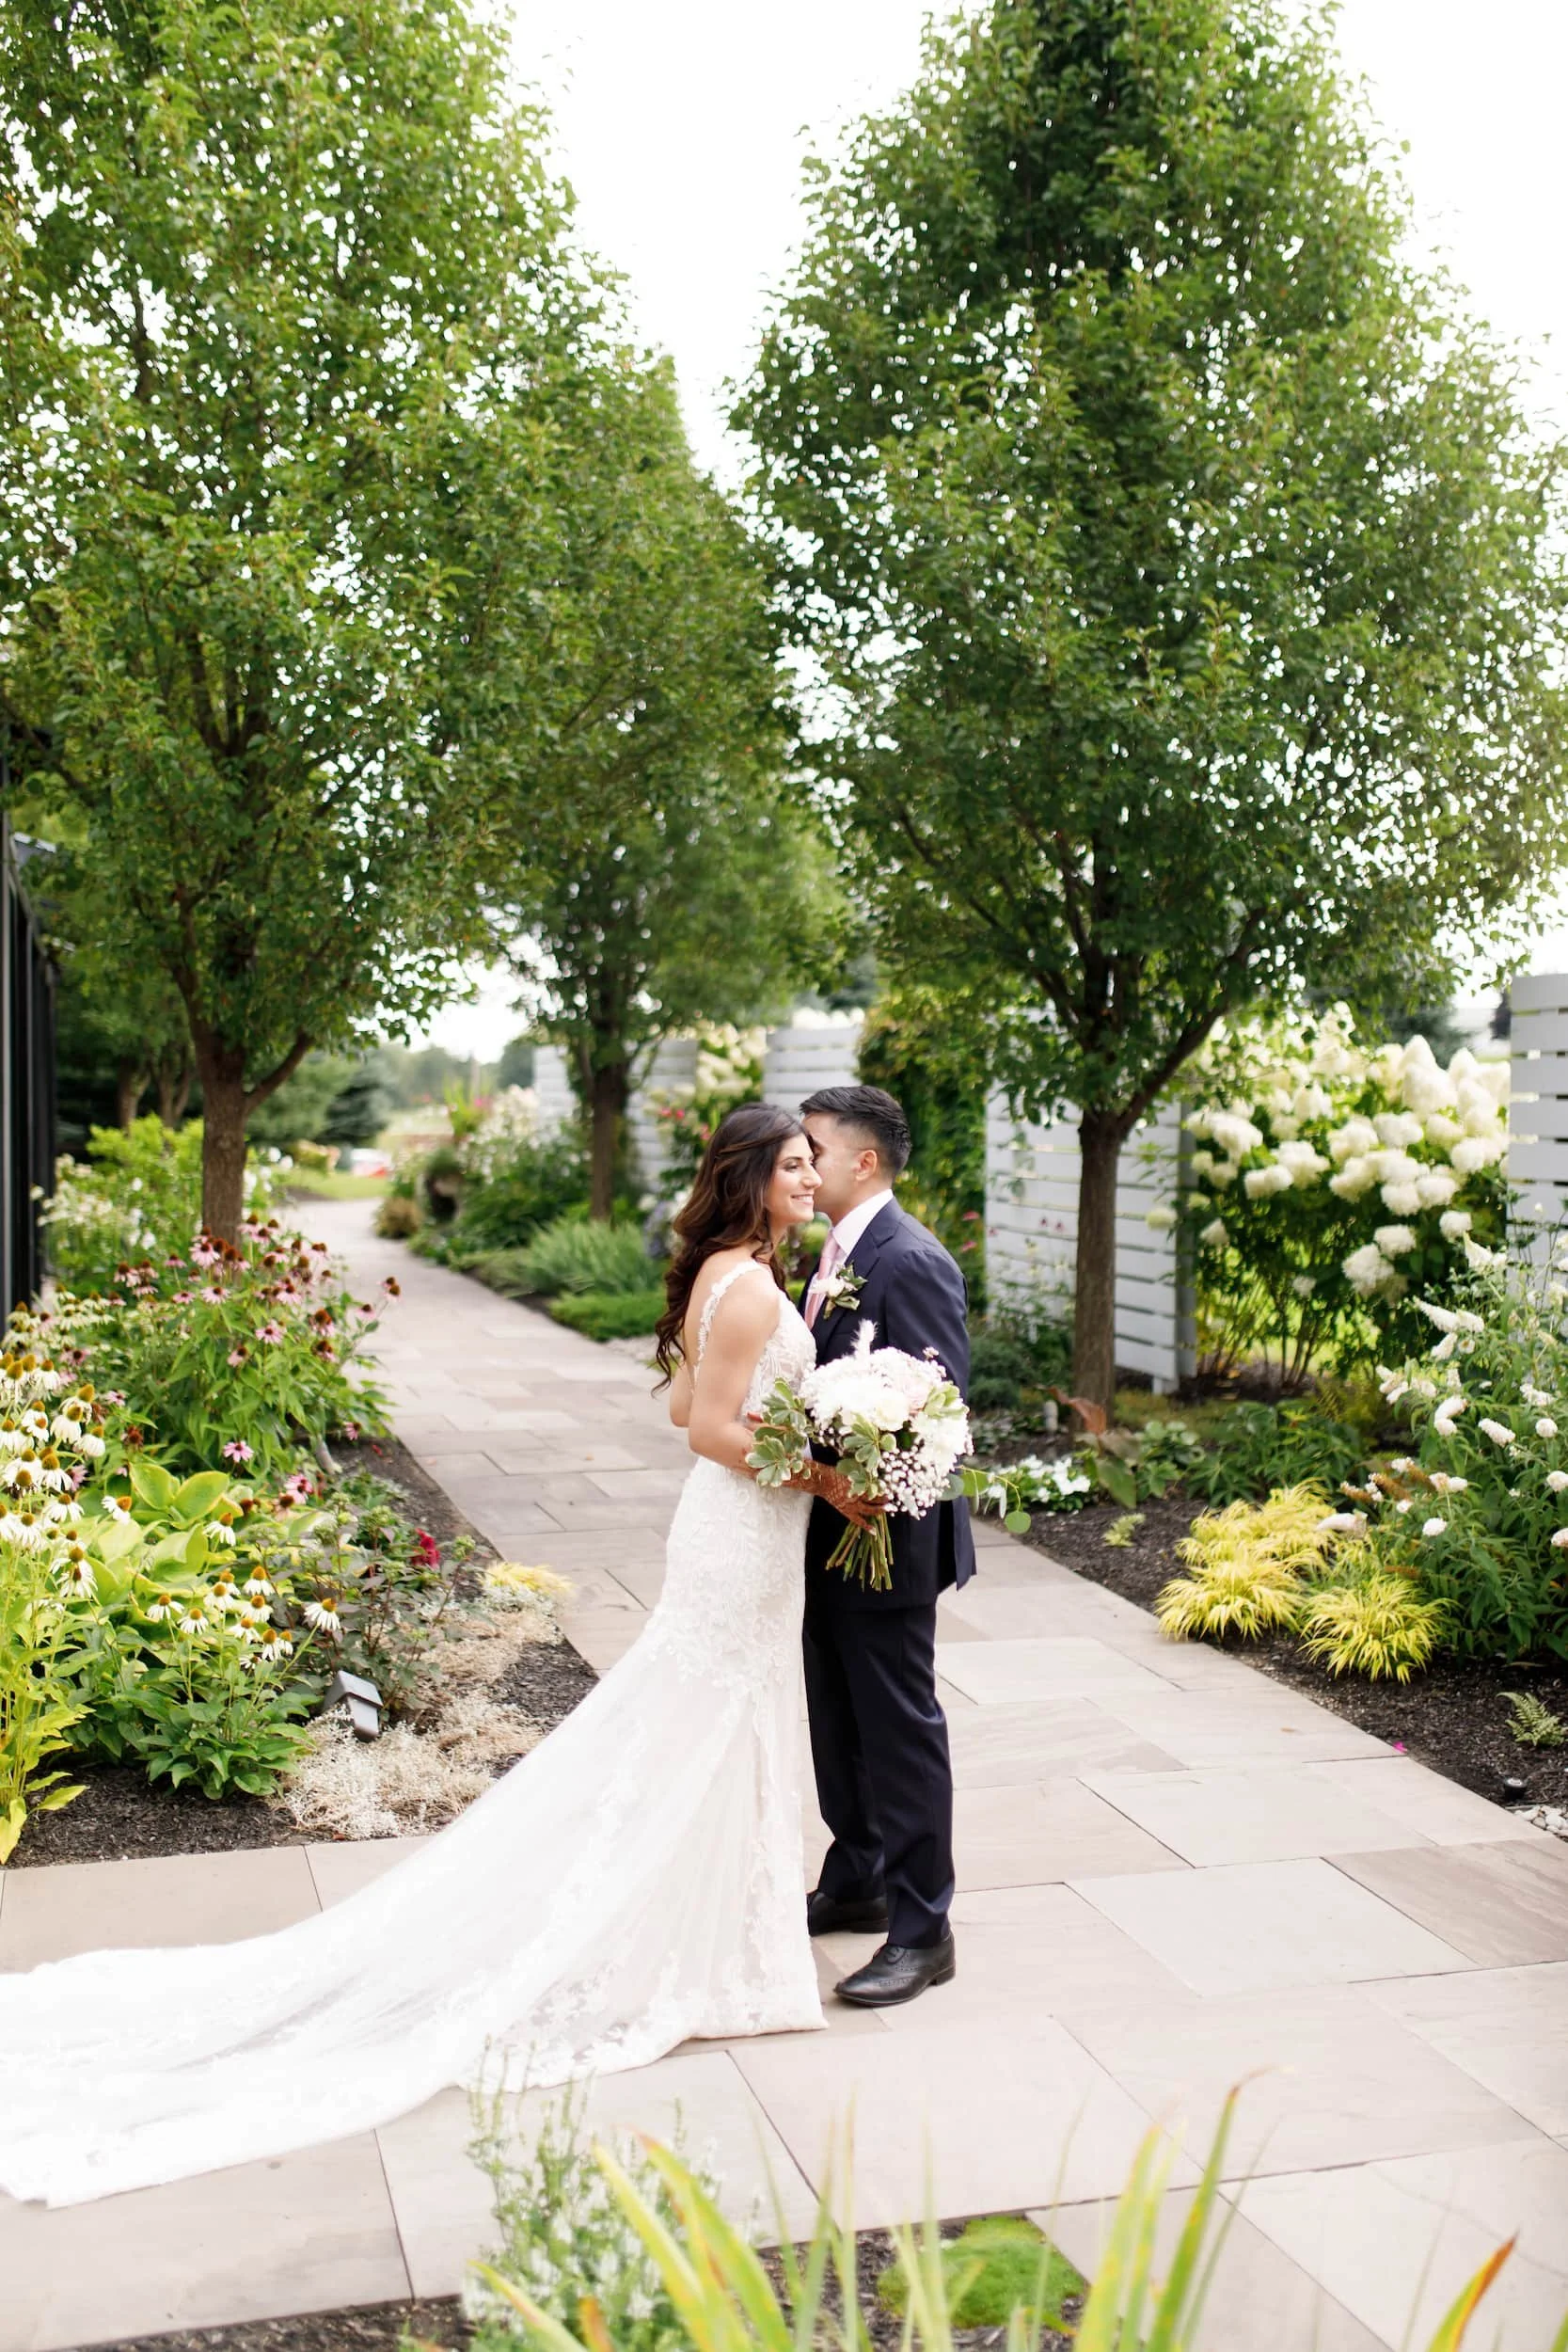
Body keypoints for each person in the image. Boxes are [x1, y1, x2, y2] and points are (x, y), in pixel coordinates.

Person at [0, 1104, 870, 2209]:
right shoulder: (745, 1285)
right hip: (739, 1535)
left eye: (811, 1162)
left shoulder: (730, 1271)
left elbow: (690, 1416)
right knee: (700, 1724)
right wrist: (824, 1471)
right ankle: (701, 1954)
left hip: (739, 1536)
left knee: (708, 1725)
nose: (809, 1176)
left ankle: (716, 1943)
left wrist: (811, 1445)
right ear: (749, 1175)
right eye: (793, 1164)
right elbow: (704, 1428)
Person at [798, 1084, 975, 2008]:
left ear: (860, 1160)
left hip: (887, 1536)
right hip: (828, 1527)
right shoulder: (834, 1255)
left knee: (899, 1734)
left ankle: (922, 1928)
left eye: (812, 1147)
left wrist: (877, 1484)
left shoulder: (908, 1260)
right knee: (836, 1716)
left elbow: (938, 1405)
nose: (800, 1161)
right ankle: (857, 1874)